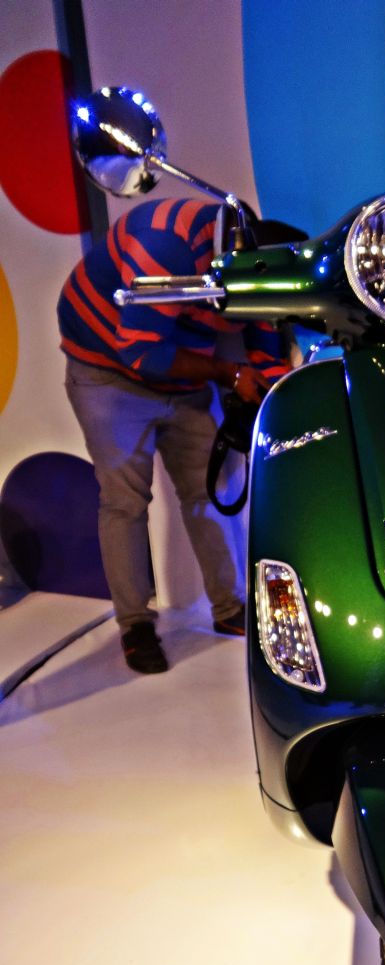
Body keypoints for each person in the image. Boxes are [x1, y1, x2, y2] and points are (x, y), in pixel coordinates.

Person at [57, 196, 289, 674]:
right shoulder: (162, 245)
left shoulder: (252, 260)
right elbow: (143, 355)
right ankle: (135, 627)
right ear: (220, 262)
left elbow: (263, 336)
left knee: (209, 490)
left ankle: (230, 609)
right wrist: (229, 374)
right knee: (124, 501)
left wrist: (272, 393)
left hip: (182, 378)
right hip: (107, 373)